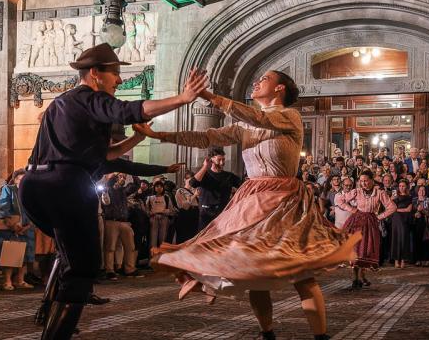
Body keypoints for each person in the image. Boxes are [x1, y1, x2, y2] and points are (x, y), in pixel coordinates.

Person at [135, 70, 357, 340]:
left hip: (284, 201)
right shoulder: (246, 126)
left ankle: (320, 337)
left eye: (264, 79)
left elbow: (259, 118)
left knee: (302, 273)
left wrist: (209, 96)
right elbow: (207, 138)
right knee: (255, 275)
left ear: (280, 89)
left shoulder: (289, 116)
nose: (257, 82)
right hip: (252, 200)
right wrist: (158, 134)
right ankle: (267, 334)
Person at [19, 43, 206, 339]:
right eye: (115, 73)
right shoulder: (90, 98)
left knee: (70, 256)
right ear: (95, 73)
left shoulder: (62, 103)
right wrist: (183, 98)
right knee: (84, 267)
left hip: (35, 186)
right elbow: (130, 110)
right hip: (65, 186)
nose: (119, 80)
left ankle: (48, 312)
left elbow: (106, 156)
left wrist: (136, 139)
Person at [337, 170, 395, 288]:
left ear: (372, 180)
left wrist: (379, 216)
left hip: (370, 223)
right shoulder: (357, 191)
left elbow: (392, 207)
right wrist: (352, 209)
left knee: (366, 250)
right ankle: (355, 278)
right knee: (356, 249)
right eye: (361, 181)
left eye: (366, 180)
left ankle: (362, 275)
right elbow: (339, 200)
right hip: (357, 222)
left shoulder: (379, 193)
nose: (363, 183)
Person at [0, 168, 35, 291]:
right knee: (10, 254)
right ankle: (7, 281)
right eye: (20, 179)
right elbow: (3, 207)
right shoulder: (9, 189)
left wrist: (28, 225)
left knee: (25, 255)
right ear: (15, 180)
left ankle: (20, 280)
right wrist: (13, 225)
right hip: (10, 227)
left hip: (27, 228)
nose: (23, 181)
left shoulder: (31, 192)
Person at [191, 146, 241, 231]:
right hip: (206, 214)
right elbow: (193, 183)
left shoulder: (229, 176)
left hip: (223, 214)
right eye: (219, 160)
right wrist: (205, 167)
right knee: (204, 237)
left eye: (223, 160)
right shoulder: (205, 174)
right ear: (211, 159)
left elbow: (243, 185)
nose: (222, 163)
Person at [389, 179, 414, 269]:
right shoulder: (395, 196)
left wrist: (397, 210)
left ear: (406, 187)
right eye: (400, 186)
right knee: (395, 238)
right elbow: (390, 207)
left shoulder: (409, 197)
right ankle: (396, 260)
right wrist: (391, 199)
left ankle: (403, 260)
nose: (401, 188)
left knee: (404, 238)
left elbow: (409, 209)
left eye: (403, 186)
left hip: (405, 219)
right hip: (396, 219)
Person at [146, 179, 176, 249]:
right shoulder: (150, 198)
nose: (159, 188)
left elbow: (171, 210)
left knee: (163, 239)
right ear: (154, 188)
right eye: (157, 186)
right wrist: (151, 213)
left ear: (163, 188)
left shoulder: (166, 198)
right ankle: (153, 254)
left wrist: (165, 211)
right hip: (153, 218)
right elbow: (146, 211)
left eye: (161, 186)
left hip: (164, 218)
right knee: (153, 239)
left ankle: (161, 254)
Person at [172, 172, 200, 243]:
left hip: (195, 215)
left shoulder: (195, 190)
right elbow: (184, 206)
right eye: (190, 180)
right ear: (185, 180)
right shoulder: (180, 191)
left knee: (193, 237)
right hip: (185, 216)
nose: (192, 182)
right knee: (183, 238)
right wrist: (194, 195)